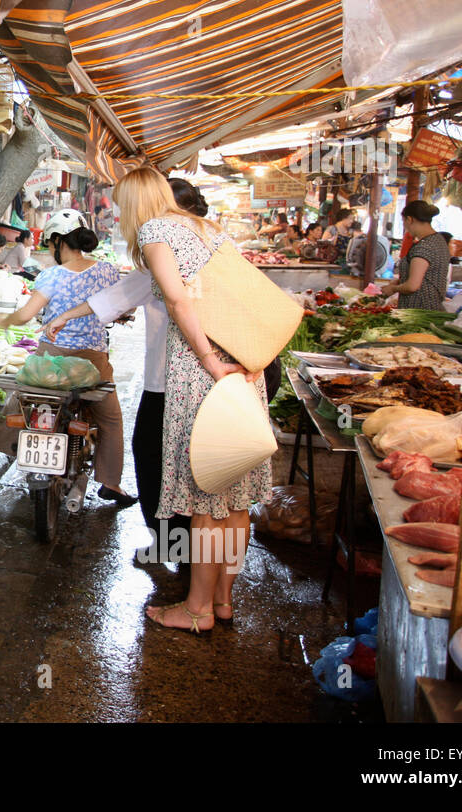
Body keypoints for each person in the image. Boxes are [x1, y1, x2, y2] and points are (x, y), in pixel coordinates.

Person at [114, 167, 272, 634]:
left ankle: (197, 609)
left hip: (201, 373)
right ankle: (223, 599)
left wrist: (207, 357)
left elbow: (181, 303)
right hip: (243, 364)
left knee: (205, 496)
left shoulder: (155, 231)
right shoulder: (209, 229)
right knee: (235, 499)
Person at [43, 177, 208, 543]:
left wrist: (62, 318)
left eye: (121, 208)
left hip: (177, 379)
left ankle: (171, 548)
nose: (117, 217)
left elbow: (129, 298)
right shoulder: (206, 242)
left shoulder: (161, 247)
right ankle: (115, 486)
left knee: (155, 458)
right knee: (188, 468)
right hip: (205, 378)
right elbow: (120, 297)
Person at [0, 210, 128, 500]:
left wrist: (3, 321)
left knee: (24, 396)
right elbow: (124, 309)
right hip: (92, 362)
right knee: (110, 419)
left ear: (57, 241)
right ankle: (111, 483)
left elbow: (26, 315)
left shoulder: (51, 275)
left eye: (50, 245)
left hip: (51, 356)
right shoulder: (107, 271)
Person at [381, 201, 450, 309]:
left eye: (403, 222)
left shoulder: (424, 247)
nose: (405, 227)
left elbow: (412, 286)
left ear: (410, 220)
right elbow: (426, 276)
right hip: (432, 306)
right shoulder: (438, 240)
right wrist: (400, 281)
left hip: (419, 308)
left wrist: (393, 289)